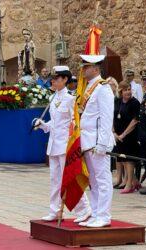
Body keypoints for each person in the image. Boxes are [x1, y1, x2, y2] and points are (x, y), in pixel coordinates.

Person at [35, 66, 91, 223]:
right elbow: (56, 122)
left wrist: (73, 143)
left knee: (70, 177)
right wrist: (43, 125)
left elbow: (74, 123)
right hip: (54, 144)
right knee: (55, 179)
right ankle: (54, 210)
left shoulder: (70, 99)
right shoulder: (54, 98)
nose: (53, 81)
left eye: (57, 78)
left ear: (65, 80)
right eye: (53, 78)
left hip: (65, 145)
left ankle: (84, 209)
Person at [78, 55, 115, 228]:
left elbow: (106, 118)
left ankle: (104, 215)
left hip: (98, 142)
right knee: (93, 180)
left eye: (86, 67)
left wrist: (102, 143)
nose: (83, 70)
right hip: (88, 141)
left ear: (96, 68)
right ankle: (95, 212)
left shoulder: (103, 88)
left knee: (103, 179)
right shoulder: (90, 87)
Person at [113, 81, 141, 194]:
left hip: (129, 135)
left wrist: (123, 134)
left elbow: (135, 120)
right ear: (120, 91)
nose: (128, 92)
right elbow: (112, 116)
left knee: (129, 159)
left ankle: (129, 184)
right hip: (118, 135)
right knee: (122, 159)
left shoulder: (134, 102)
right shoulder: (118, 101)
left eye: (129, 89)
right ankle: (135, 181)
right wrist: (114, 132)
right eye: (125, 90)